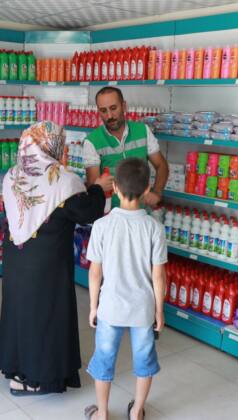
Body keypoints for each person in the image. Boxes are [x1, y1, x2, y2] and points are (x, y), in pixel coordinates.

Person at [0, 121, 111, 396]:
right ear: (52, 145)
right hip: (46, 263)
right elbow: (87, 212)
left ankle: (18, 369)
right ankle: (37, 378)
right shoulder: (61, 179)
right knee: (45, 316)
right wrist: (97, 188)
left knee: (21, 312)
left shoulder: (13, 174)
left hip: (16, 256)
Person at [83, 158, 167, 420]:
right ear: (146, 190)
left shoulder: (101, 225)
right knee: (144, 362)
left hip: (110, 308)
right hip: (143, 309)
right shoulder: (154, 228)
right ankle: (137, 411)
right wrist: (159, 312)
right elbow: (158, 276)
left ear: (115, 188)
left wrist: (93, 307)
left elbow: (95, 272)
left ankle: (102, 413)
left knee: (104, 360)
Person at [83, 86, 169, 209]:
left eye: (113, 108)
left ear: (124, 106)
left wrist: (157, 192)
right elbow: (93, 186)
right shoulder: (92, 141)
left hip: (140, 210)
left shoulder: (143, 131)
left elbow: (161, 165)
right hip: (110, 213)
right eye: (103, 110)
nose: (109, 115)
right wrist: (98, 186)